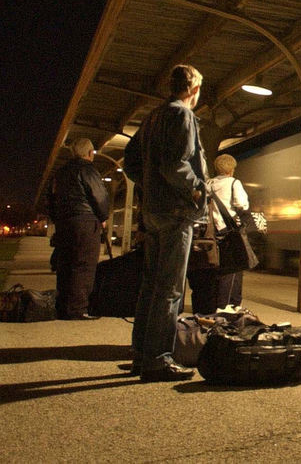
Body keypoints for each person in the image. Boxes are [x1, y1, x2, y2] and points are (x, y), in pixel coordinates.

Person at [123, 64, 208, 381]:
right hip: (175, 211)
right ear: (194, 89)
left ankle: (141, 355)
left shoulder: (151, 117)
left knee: (151, 285)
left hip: (153, 211)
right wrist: (196, 188)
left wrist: (147, 184)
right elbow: (176, 164)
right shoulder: (182, 115)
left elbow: (130, 162)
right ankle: (158, 359)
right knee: (170, 289)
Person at [46, 138, 110, 320]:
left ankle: (62, 306)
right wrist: (103, 216)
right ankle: (77, 308)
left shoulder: (60, 173)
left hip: (64, 223)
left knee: (65, 263)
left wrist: (56, 218)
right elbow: (100, 196)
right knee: (84, 265)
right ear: (90, 153)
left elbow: (49, 199)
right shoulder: (88, 170)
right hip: (85, 222)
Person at [187, 154, 250, 313]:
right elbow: (241, 204)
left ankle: (211, 305)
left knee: (212, 268)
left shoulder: (208, 183)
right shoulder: (234, 183)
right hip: (226, 232)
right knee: (232, 268)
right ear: (232, 169)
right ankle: (228, 306)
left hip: (209, 232)